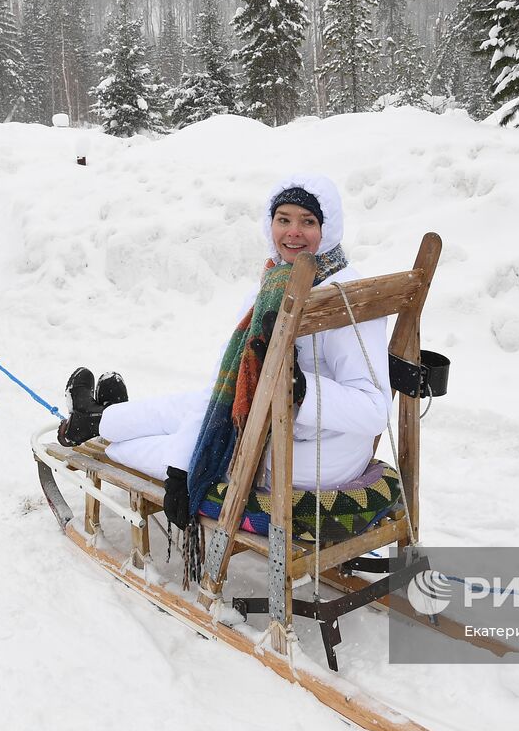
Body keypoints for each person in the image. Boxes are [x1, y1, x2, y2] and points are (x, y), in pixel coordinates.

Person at [58, 174, 392, 527]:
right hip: (271, 425)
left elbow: (374, 409)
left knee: (126, 449)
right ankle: (99, 417)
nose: (293, 232)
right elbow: (225, 385)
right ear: (270, 225)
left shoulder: (342, 296)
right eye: (283, 220)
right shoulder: (276, 283)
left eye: (307, 222)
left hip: (312, 457)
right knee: (192, 404)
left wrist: (300, 388)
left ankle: (102, 430)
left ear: (328, 228)